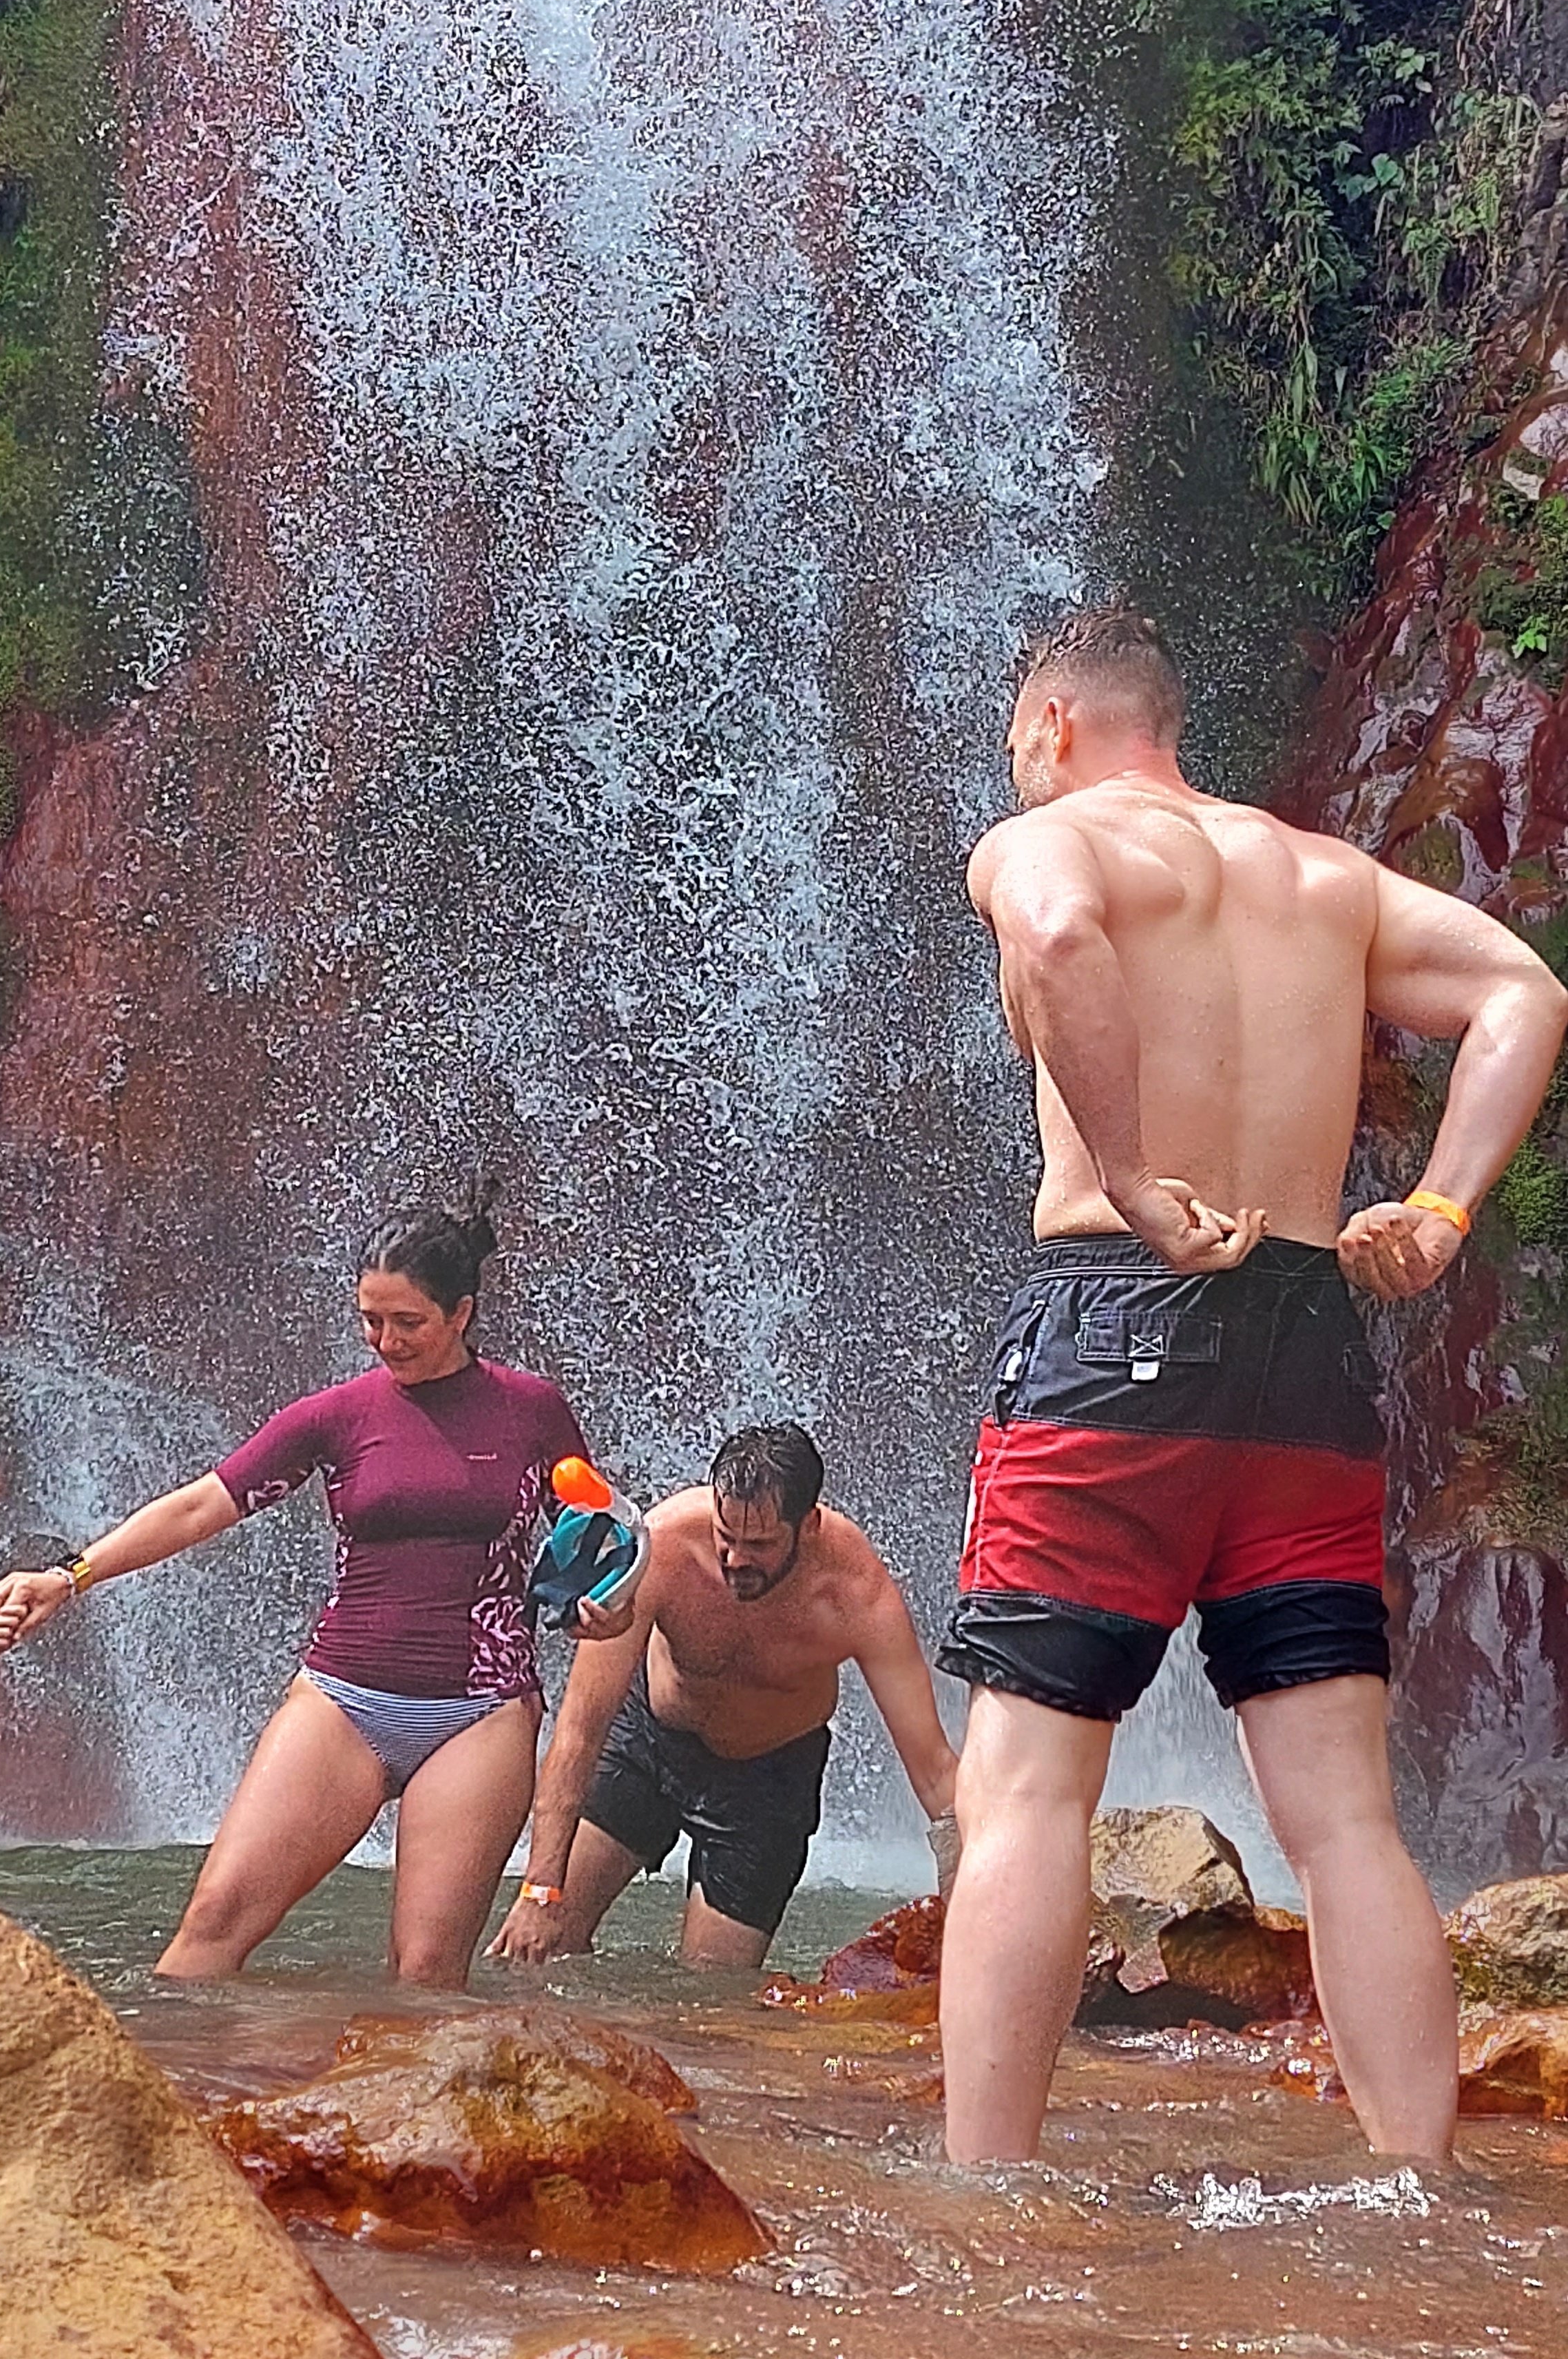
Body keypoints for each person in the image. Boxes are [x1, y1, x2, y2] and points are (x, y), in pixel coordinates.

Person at [939, 602, 1568, 2168]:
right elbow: (1523, 991)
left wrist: (1131, 1172)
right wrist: (1436, 1209)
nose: (1014, 765)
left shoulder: (1049, 839)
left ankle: (986, 2190)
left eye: (1016, 739)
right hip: (1305, 1343)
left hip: (1114, 1325)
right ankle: (1418, 2181)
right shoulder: (1323, 877)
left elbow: (1056, 936)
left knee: (1026, 1787)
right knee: (1342, 1811)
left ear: (1055, 724)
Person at [0, 1185, 589, 1986]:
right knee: (213, 1921)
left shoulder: (531, 1411)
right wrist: (71, 1575)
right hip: (345, 1697)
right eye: (371, 1320)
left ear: (461, 1313)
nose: (386, 1341)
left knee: (426, 1967)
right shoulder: (337, 1415)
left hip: (480, 1711)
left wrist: (599, 1604)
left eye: (408, 1322)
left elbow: (594, 1539)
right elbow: (202, 1504)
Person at [490, 1424, 958, 1971]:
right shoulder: (662, 1546)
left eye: (759, 1545)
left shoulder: (859, 1597)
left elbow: (933, 1771)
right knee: (541, 1944)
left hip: (767, 1779)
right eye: (725, 1536)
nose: (735, 1559)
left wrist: (970, 1897)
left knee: (710, 1992)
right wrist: (539, 1890)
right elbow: (579, 1732)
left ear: (808, 1526)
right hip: (648, 1741)